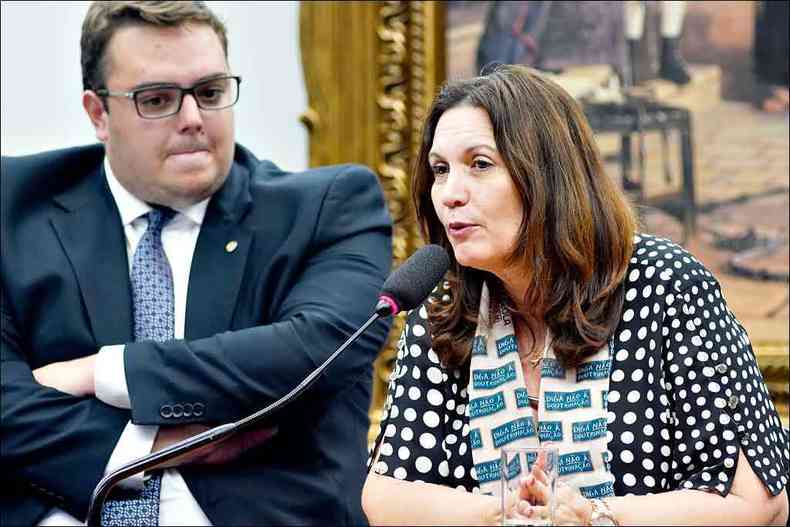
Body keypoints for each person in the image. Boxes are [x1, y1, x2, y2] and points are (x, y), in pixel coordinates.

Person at [1, 1, 392, 526]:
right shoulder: (14, 209)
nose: (192, 120)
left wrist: (103, 371)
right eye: (157, 99)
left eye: (209, 93)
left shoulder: (327, 208)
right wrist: (155, 442)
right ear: (98, 113)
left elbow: (317, 354)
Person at [362, 64, 788, 525]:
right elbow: (386, 494)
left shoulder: (668, 285)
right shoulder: (445, 305)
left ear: (548, 175)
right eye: (440, 170)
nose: (449, 194)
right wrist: (500, 513)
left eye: (480, 165)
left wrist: (595, 516)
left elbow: (756, 502)